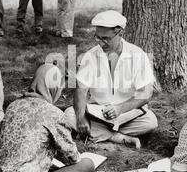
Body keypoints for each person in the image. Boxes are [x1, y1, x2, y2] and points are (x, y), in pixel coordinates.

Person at [0, 64, 95, 172]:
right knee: (87, 165)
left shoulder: (12, 106)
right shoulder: (53, 113)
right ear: (54, 88)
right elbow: (72, 158)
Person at [65, 10, 158, 148]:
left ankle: (99, 133)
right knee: (70, 115)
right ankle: (118, 137)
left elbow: (146, 94)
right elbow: (81, 90)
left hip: (127, 113)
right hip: (98, 112)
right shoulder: (91, 55)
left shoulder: (137, 55)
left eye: (105, 38)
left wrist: (120, 108)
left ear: (120, 34)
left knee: (150, 122)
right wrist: (81, 118)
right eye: (97, 38)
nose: (101, 43)